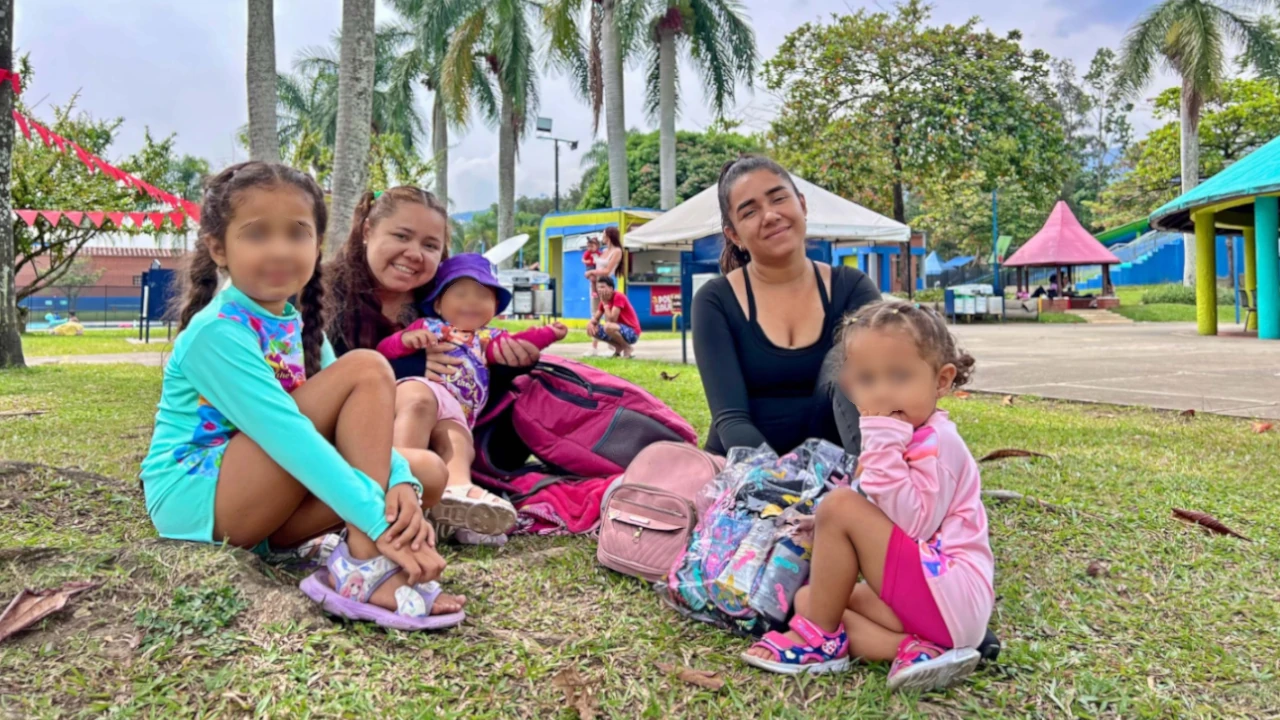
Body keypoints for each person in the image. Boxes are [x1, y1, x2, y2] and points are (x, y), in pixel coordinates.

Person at [139, 162, 465, 631]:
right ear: (218, 248)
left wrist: (399, 484)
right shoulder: (216, 333)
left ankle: (350, 544)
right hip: (202, 501)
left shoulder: (297, 324)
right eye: (257, 234)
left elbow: (351, 433)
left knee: (427, 473)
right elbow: (294, 441)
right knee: (369, 367)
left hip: (265, 502)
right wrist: (377, 524)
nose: (279, 249)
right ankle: (364, 565)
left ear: (317, 245)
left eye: (296, 233)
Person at [743, 301, 994, 693]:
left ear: (941, 381)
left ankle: (818, 644)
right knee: (811, 599)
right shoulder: (902, 438)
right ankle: (916, 649)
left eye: (898, 376)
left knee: (839, 506)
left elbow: (912, 524)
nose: (881, 392)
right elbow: (871, 505)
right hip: (929, 601)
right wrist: (823, 525)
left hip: (952, 591)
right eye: (867, 379)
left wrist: (878, 438)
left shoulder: (939, 443)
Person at [326, 187, 543, 546]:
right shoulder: (326, 296)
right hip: (343, 444)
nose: (413, 254)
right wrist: (411, 367)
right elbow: (320, 385)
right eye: (400, 236)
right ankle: (395, 502)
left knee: (452, 431)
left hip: (438, 442)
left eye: (429, 245)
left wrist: (506, 367)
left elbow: (468, 388)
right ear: (367, 231)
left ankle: (452, 498)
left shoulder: (441, 304)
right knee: (419, 402)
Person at [692, 155, 881, 456]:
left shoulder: (853, 289)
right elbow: (731, 420)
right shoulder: (715, 301)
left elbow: (882, 393)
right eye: (750, 212)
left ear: (802, 205)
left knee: (849, 359)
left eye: (778, 198)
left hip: (842, 474)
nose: (769, 216)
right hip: (748, 473)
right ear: (734, 235)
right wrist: (783, 484)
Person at [377, 253, 568, 539]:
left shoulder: (488, 338)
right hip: (423, 389)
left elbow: (518, 344)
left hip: (458, 412)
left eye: (483, 295)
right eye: (461, 293)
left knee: (460, 447)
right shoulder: (428, 326)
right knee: (417, 406)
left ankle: (458, 497)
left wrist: (547, 334)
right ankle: (398, 484)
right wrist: (404, 341)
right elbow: (383, 351)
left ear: (494, 306)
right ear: (439, 303)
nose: (472, 302)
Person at [587, 276, 641, 358]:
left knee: (608, 326)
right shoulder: (604, 300)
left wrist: (605, 304)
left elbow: (612, 320)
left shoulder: (618, 297)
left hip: (631, 332)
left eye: (603, 287)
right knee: (593, 329)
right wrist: (591, 324)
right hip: (617, 329)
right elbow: (596, 318)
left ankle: (627, 348)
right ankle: (618, 348)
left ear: (611, 288)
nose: (600, 290)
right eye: (598, 287)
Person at [583, 236, 603, 355]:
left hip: (603, 283)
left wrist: (591, 271)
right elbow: (584, 262)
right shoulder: (588, 254)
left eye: (592, 245)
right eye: (589, 246)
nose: (590, 248)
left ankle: (614, 344)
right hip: (596, 279)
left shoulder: (603, 254)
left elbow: (605, 270)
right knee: (595, 315)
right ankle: (594, 346)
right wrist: (590, 270)